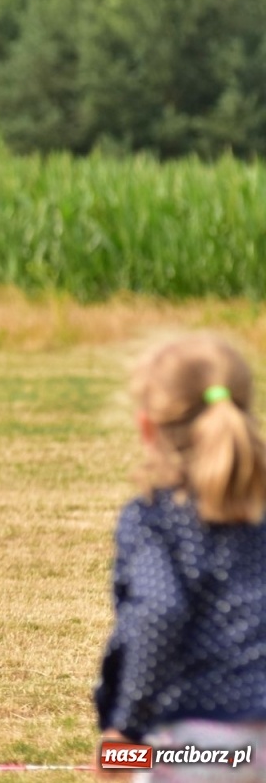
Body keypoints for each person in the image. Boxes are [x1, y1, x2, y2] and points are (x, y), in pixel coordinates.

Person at [95, 334, 266, 779]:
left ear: (148, 428)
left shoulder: (155, 519)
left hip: (201, 747)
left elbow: (158, 611)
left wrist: (125, 733)